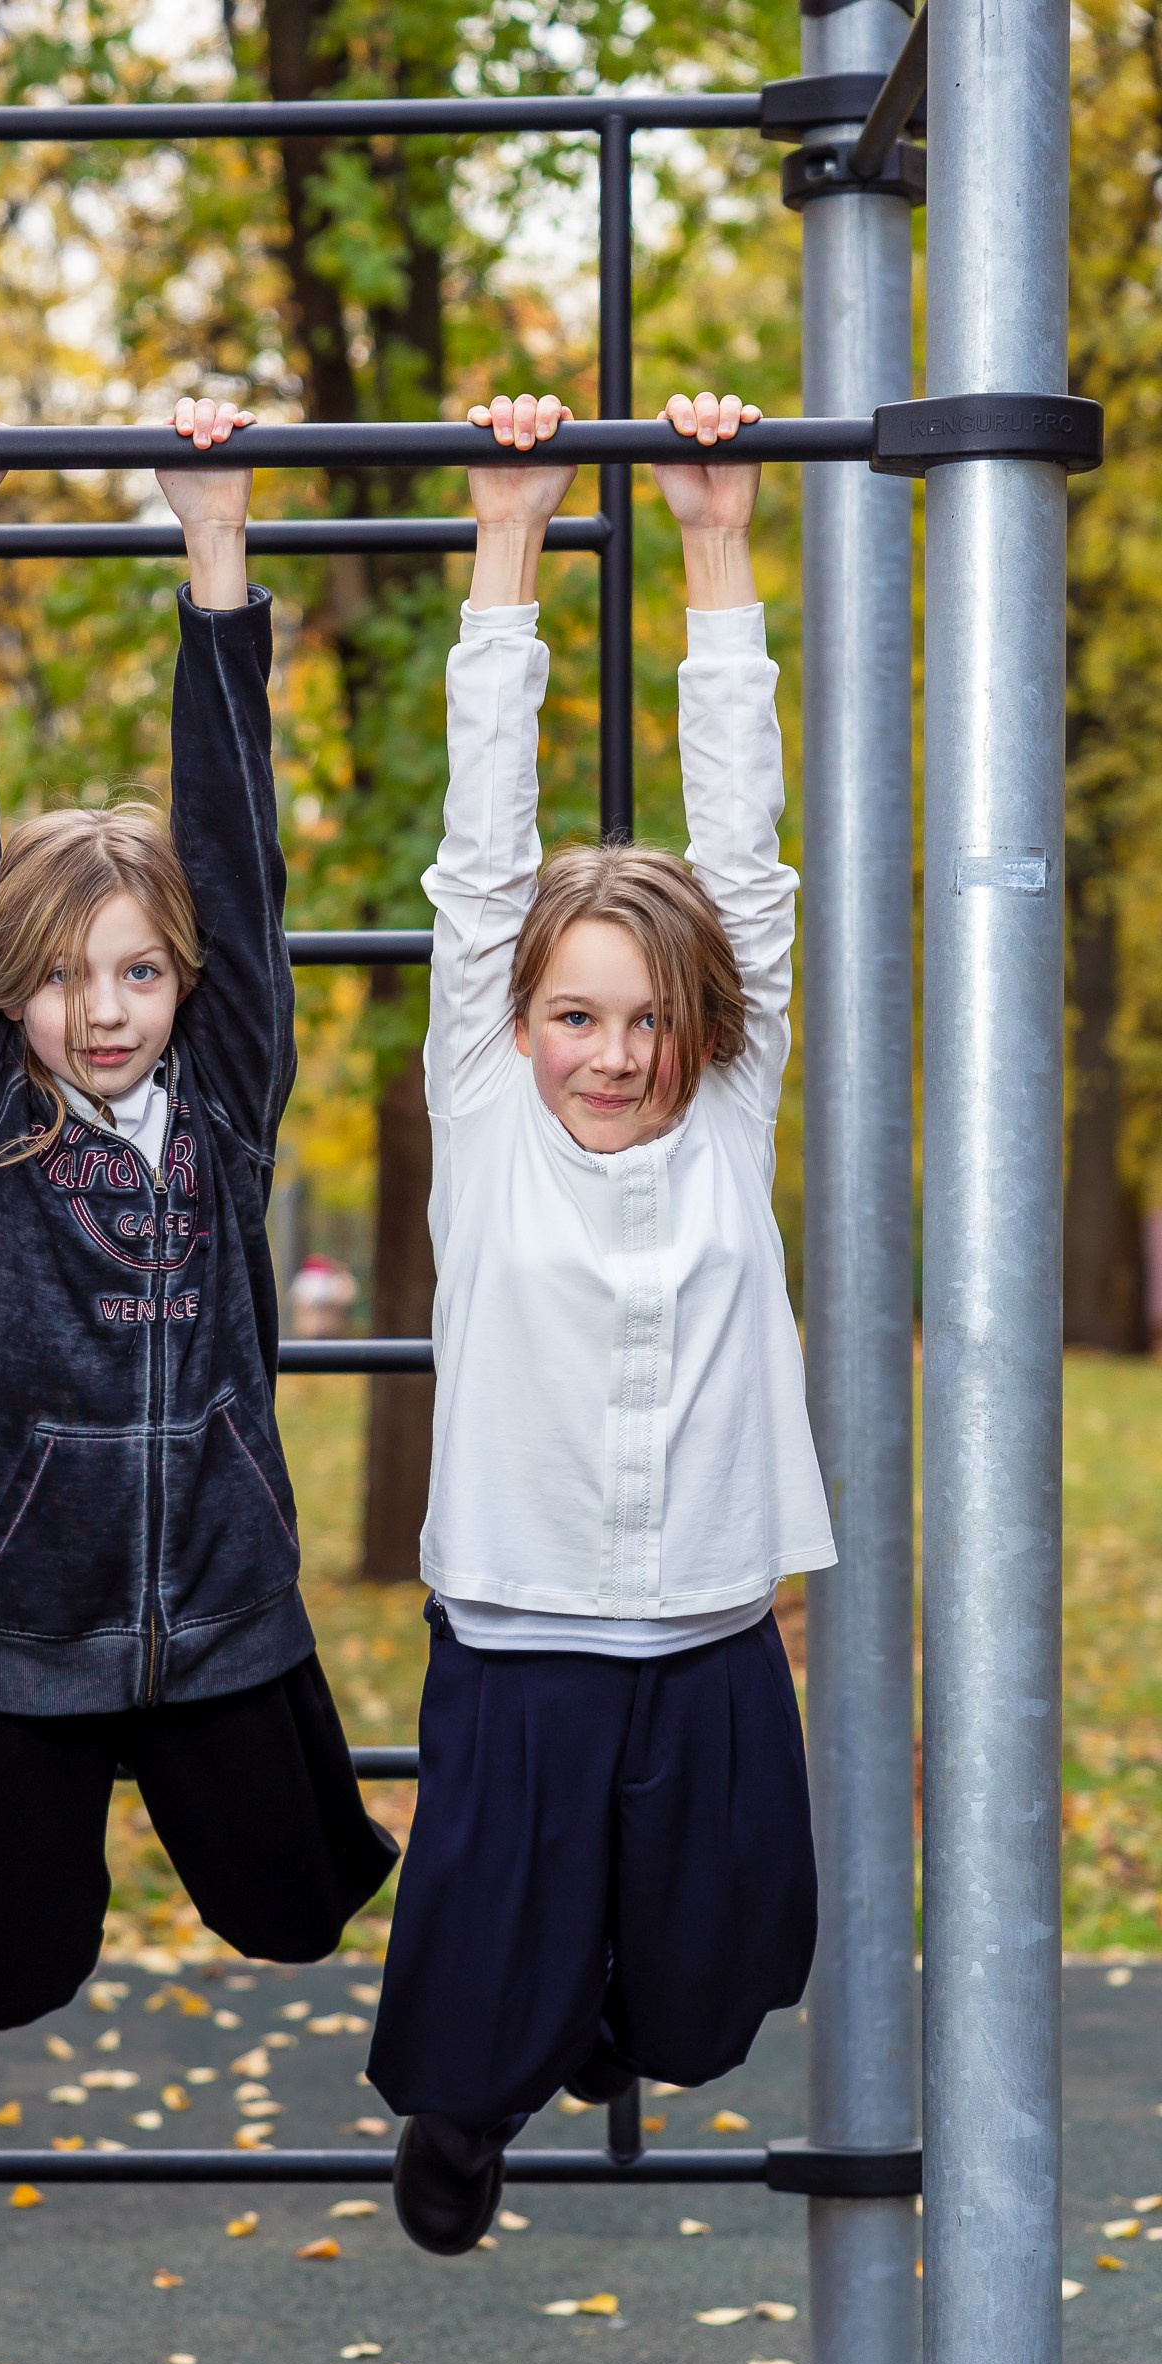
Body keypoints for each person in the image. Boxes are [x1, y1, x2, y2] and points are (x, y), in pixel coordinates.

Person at [371, 384, 833, 2256]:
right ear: (516, 1022)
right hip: (531, 1630)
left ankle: (595, 2014)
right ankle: (472, 2103)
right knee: (485, 1997)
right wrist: (509, 538)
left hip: (713, 1616)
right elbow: (484, 861)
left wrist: (720, 539)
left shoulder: (727, 1102)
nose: (617, 1054)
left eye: (649, 1020)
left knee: (720, 1988)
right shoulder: (486, 1114)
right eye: (579, 1016)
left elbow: (747, 864)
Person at [0, 393, 398, 2026]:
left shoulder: (229, 1105)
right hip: (14, 1624)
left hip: (224, 1614)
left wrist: (219, 538)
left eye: (138, 971)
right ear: (1, 993)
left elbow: (241, 855)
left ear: (185, 981)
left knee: (301, 1915)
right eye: (55, 977)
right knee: (11, 1972)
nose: (101, 1010)